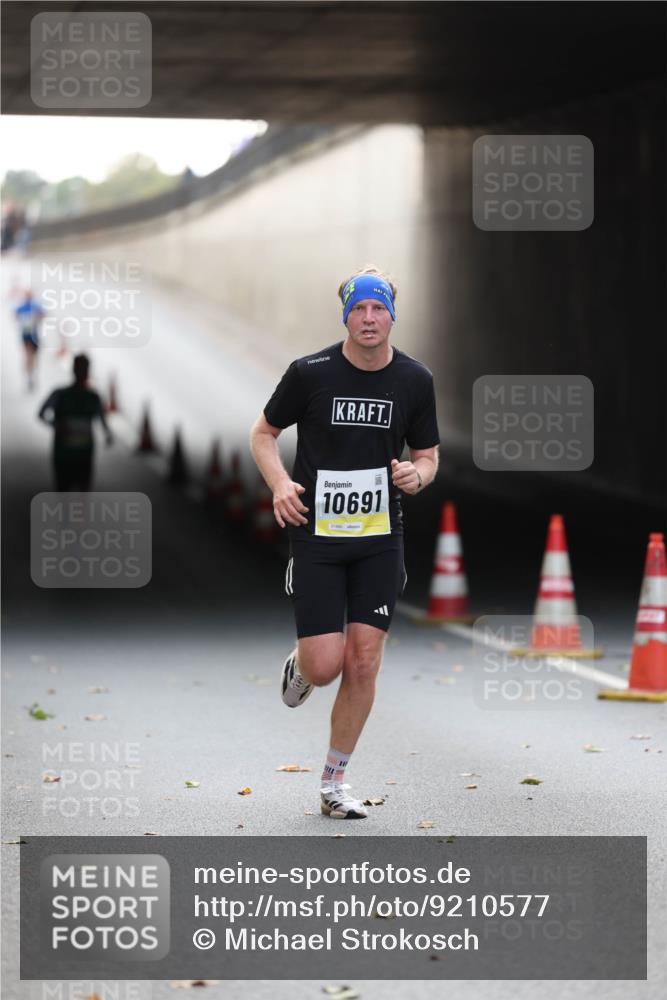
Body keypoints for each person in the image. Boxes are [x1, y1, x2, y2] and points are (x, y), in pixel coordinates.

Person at [250, 266, 440, 819]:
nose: (369, 318)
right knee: (326, 665)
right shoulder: (310, 373)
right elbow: (263, 434)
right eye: (359, 309)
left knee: (363, 661)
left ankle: (334, 782)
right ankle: (303, 666)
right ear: (345, 316)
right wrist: (280, 484)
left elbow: (428, 456)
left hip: (380, 538)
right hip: (318, 536)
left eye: (378, 308)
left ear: (392, 315)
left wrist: (418, 476)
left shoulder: (414, 380)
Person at [38, 354, 113, 491]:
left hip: (78, 453)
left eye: (83, 369)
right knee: (70, 491)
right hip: (68, 453)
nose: (82, 373)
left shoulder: (90, 397)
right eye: (81, 369)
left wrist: (107, 433)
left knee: (73, 492)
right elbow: (41, 414)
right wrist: (56, 425)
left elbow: (103, 420)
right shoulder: (65, 395)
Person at [14, 289, 44, 391]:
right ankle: (30, 376)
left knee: (31, 356)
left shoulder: (34, 305)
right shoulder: (24, 306)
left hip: (32, 335)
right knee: (29, 355)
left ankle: (31, 375)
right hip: (27, 335)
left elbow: (42, 314)